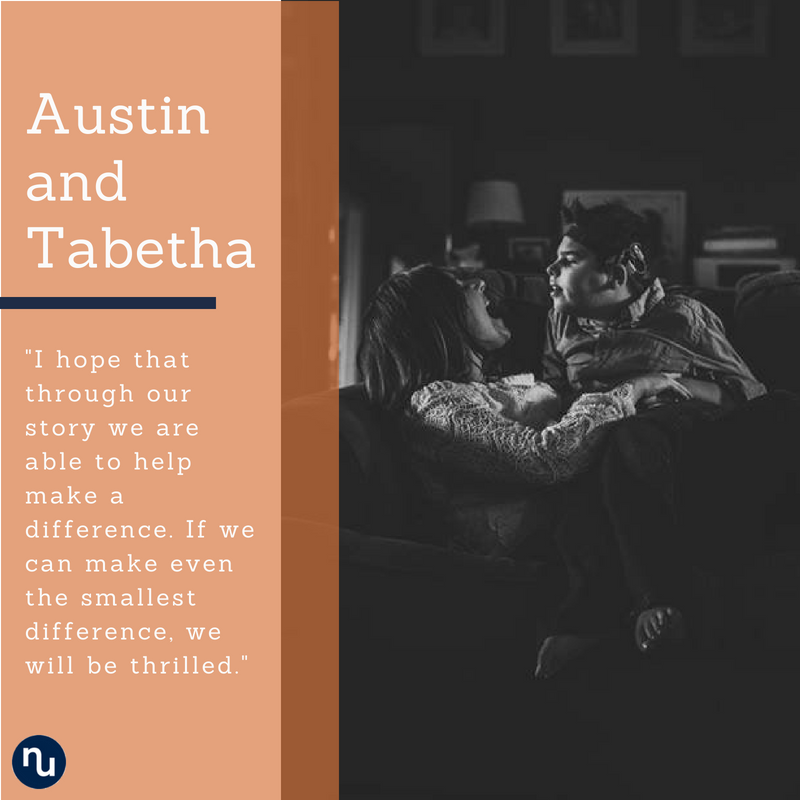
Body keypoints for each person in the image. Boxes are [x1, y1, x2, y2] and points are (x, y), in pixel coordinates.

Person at [534, 199, 779, 676]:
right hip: (605, 433)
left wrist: (663, 383)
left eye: (569, 260)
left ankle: (660, 599)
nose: (551, 269)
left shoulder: (683, 315)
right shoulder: (559, 323)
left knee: (639, 434)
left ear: (617, 270)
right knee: (587, 481)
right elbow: (555, 390)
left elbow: (745, 395)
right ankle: (594, 619)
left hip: (684, 430)